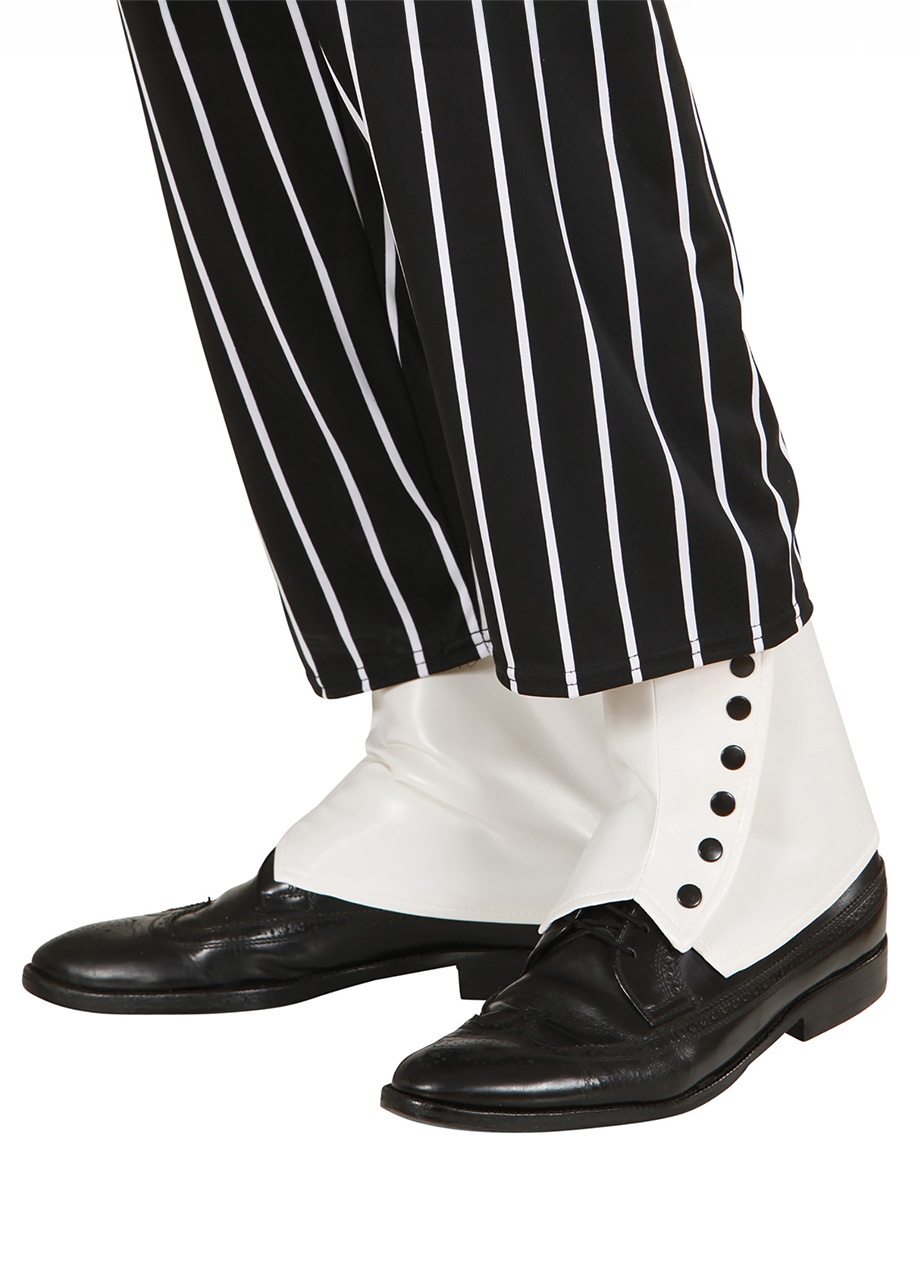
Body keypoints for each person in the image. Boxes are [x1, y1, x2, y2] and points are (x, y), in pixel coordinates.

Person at [22, 0, 886, 1132]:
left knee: (492, 50)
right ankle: (485, 770)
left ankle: (746, 786)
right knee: (237, 54)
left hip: (733, 755)